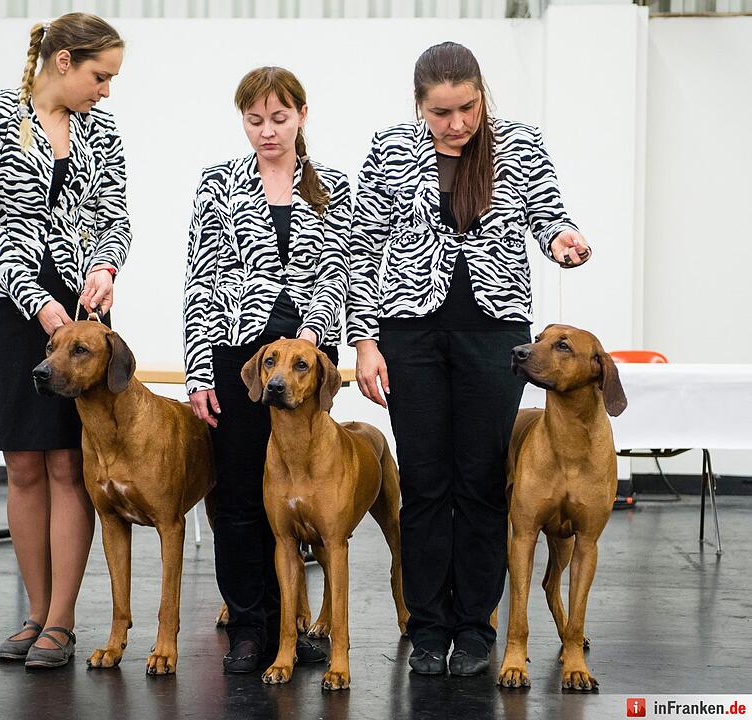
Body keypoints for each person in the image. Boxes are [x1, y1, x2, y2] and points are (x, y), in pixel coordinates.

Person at [347, 41, 591, 677]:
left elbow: (548, 215)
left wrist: (563, 238)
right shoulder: (390, 145)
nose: (456, 123)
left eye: (467, 107)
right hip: (408, 330)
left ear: (483, 95)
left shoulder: (521, 141)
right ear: (419, 106)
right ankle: (428, 626)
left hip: (494, 329)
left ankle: (477, 626)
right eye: (441, 112)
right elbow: (360, 244)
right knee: (425, 481)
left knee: (482, 481)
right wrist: (365, 341)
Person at [0, 13, 131, 669]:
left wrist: (105, 266)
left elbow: (116, 214)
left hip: (83, 318)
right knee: (24, 463)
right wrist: (38, 304)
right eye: (99, 76)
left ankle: (60, 622)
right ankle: (34, 612)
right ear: (63, 62)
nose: (105, 91)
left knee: (68, 464)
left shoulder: (101, 129)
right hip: (8, 309)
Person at [183, 66, 350, 673]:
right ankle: (250, 626)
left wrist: (313, 335)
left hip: (303, 366)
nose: (267, 131)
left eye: (279, 118)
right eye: (254, 121)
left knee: (299, 499)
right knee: (239, 498)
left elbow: (343, 271)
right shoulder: (219, 183)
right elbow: (203, 279)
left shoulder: (332, 184)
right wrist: (200, 370)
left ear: (302, 115)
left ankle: (293, 630)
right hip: (237, 358)